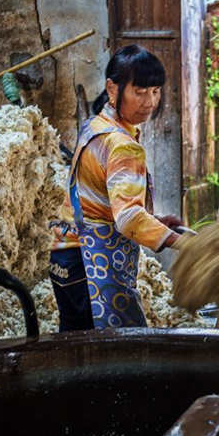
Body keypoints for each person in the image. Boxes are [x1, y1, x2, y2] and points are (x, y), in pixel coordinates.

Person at [49, 44, 183, 330]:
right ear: (112, 89)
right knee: (111, 354)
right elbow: (129, 219)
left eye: (155, 91)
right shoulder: (122, 145)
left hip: (65, 256)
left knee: (76, 345)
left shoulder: (95, 126)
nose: (150, 102)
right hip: (89, 263)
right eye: (140, 91)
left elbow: (99, 201)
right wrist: (187, 244)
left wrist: (157, 223)